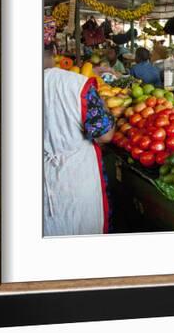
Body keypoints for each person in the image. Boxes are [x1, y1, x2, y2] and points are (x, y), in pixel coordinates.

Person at [43, 47, 115, 236]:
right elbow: (105, 134)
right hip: (76, 178)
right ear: (55, 51)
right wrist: (106, 109)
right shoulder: (77, 85)